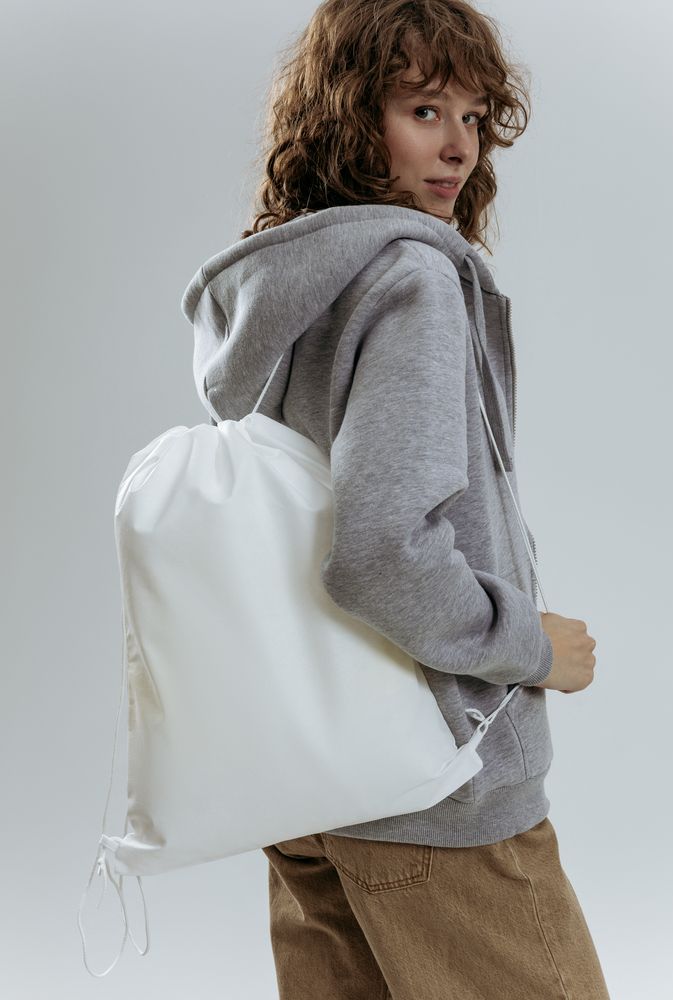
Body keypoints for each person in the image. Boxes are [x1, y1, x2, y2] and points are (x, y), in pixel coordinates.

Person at [188, 1, 609, 996]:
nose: (459, 146)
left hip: (305, 777)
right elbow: (382, 552)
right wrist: (532, 645)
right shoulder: (411, 282)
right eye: (424, 110)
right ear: (348, 117)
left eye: (473, 116)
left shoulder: (285, 290)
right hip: (435, 787)